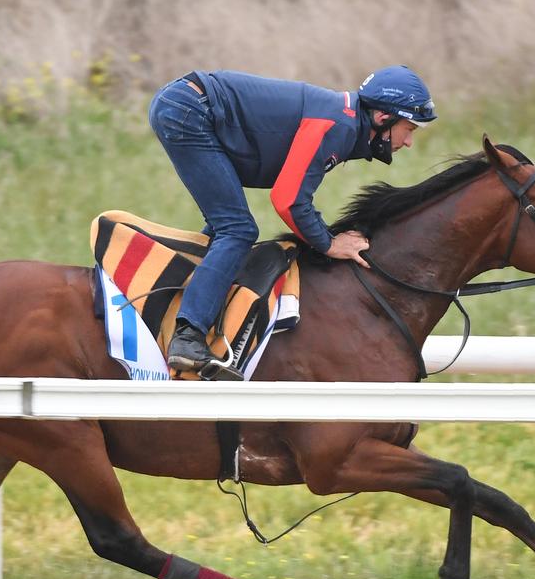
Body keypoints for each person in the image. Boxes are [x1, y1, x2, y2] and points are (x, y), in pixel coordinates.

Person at [147, 65, 437, 379]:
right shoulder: (337, 124)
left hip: (187, 104)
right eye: (409, 128)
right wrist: (328, 243)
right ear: (384, 118)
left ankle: (178, 308)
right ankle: (188, 336)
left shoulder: (344, 122)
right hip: (189, 109)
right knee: (238, 229)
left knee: (225, 227)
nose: (408, 142)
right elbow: (288, 198)